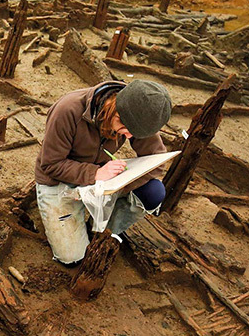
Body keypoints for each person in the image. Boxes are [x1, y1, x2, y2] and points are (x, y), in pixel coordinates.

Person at [34, 79, 172, 266]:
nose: (130, 136)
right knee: (73, 258)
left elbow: (156, 160)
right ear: (115, 109)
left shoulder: (139, 111)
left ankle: (104, 230)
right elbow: (51, 164)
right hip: (59, 180)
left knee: (153, 192)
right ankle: (75, 222)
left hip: (102, 180)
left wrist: (121, 185)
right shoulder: (67, 110)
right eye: (126, 129)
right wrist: (95, 173)